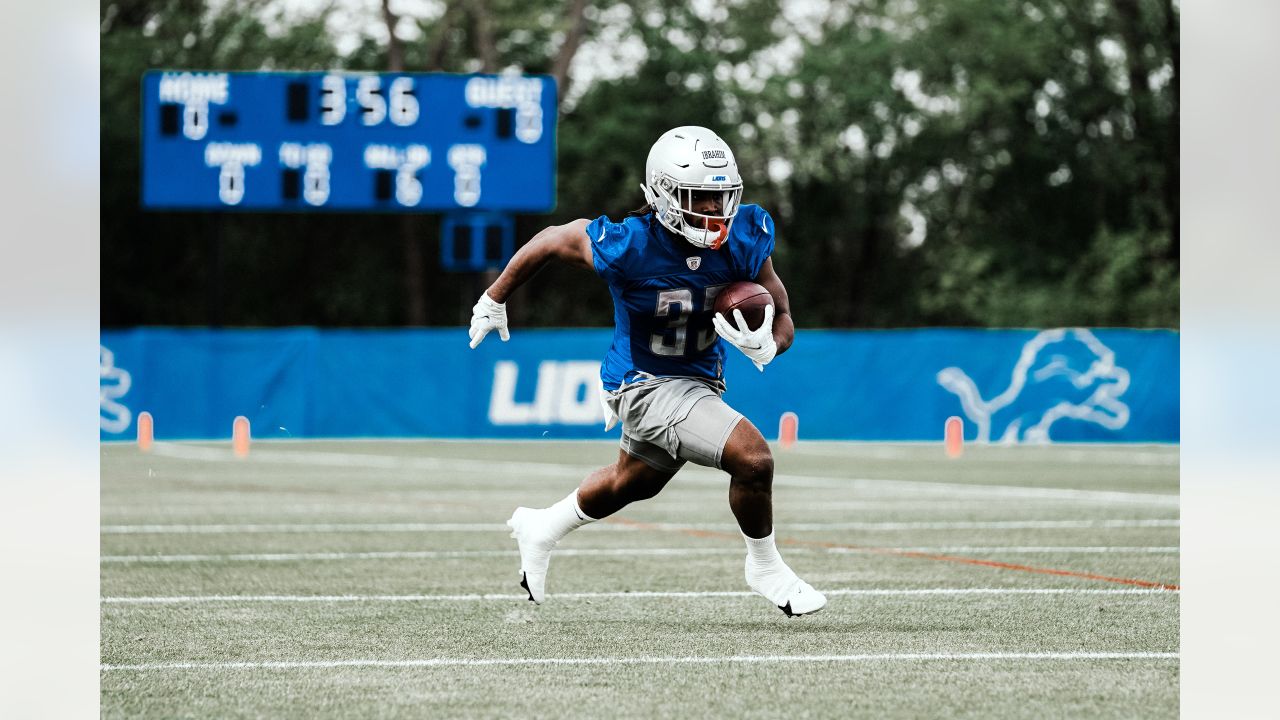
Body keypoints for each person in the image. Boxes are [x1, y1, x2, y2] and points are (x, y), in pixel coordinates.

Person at [467, 126, 826, 617]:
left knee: (633, 481)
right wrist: (494, 297)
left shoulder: (745, 235)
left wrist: (769, 342)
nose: (715, 213)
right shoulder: (628, 245)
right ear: (662, 194)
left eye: (723, 199)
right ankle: (764, 566)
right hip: (641, 384)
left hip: (698, 382)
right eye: (700, 198)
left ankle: (542, 526)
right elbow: (552, 239)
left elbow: (782, 314)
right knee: (753, 458)